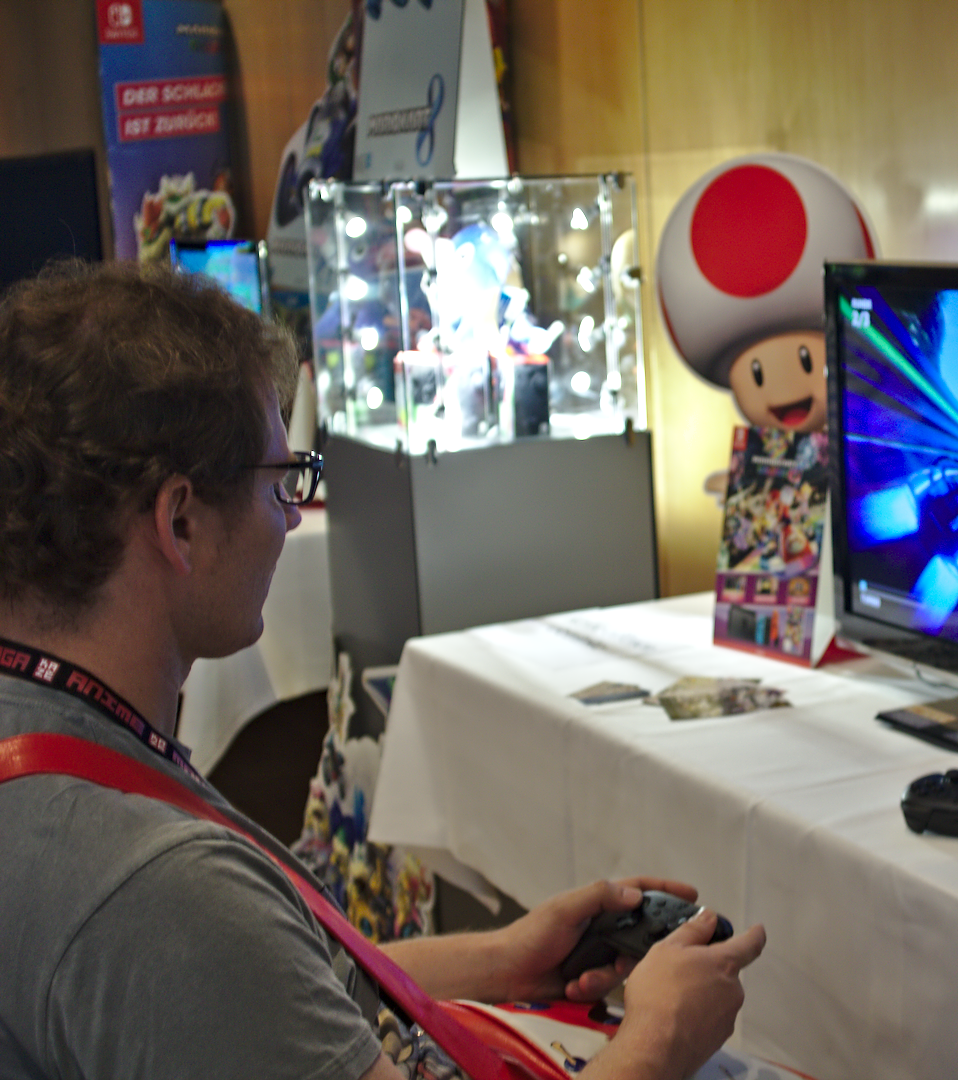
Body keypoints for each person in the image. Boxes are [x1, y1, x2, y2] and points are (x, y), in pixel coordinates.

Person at [0, 259, 766, 1080]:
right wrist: (660, 1039)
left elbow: (260, 998)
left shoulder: (52, 740)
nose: (288, 520)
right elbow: (214, 962)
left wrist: (503, 959)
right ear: (180, 522)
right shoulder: (159, 890)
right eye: (281, 483)